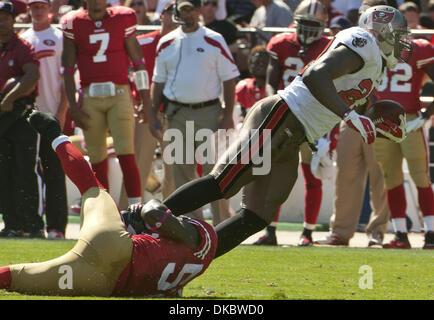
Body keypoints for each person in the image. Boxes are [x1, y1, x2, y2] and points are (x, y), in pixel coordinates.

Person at [145, 4, 409, 258]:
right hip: (282, 115)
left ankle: (193, 260)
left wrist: (375, 121)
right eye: (398, 36)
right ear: (382, 32)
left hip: (296, 134)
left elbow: (354, 101)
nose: (402, 43)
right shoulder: (363, 42)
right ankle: (143, 219)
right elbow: (316, 75)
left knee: (259, 215)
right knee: (225, 182)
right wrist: (349, 115)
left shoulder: (375, 64)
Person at [0, 111, 217, 297]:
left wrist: (141, 215)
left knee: (90, 186)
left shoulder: (194, 235)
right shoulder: (188, 269)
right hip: (105, 284)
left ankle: (53, 132)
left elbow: (154, 213)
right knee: (15, 277)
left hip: (115, 248)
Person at [149, 0, 239, 225]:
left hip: (208, 112)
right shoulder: (166, 42)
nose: (187, 14)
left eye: (191, 9)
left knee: (215, 173)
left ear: (199, 11)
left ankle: (220, 226)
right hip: (177, 114)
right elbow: (157, 82)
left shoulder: (214, 40)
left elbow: (229, 79)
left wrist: (227, 115)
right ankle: (191, 228)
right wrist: (152, 115)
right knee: (181, 172)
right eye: (183, 10)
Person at [253, 0, 332, 246]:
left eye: (314, 25)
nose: (308, 30)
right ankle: (271, 229)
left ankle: (307, 232)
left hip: (314, 117)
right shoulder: (280, 43)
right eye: (304, 24)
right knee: (277, 174)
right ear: (295, 23)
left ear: (322, 26)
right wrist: (272, 105)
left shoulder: (330, 47)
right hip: (285, 114)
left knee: (311, 175)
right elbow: (271, 80)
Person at [314, 0, 392, 248]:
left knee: (381, 176)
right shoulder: (355, 38)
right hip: (352, 115)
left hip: (380, 116)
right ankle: (341, 231)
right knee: (345, 174)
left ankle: (377, 232)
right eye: (364, 12)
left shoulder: (394, 42)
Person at [60, 0, 148, 207]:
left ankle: (136, 210)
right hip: (90, 95)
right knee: (97, 157)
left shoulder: (122, 17)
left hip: (119, 93)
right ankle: (106, 210)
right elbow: (67, 69)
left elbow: (138, 62)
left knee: (126, 153)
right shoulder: (73, 22)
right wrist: (73, 108)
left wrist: (146, 99)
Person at [374, 37, 434, 249]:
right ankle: (400, 233)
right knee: (391, 177)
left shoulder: (418, 49)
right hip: (381, 120)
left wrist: (425, 116)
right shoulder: (371, 46)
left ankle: (431, 233)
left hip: (410, 118)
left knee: (420, 176)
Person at [117, 0, 177, 209]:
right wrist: (132, 100)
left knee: (175, 172)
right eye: (170, 11)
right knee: (137, 169)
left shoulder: (184, 45)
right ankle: (125, 217)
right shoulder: (142, 42)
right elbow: (121, 71)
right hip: (145, 112)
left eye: (178, 12)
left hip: (174, 114)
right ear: (161, 15)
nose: (174, 16)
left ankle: (172, 219)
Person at [20, 0, 69, 240]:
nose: (37, 11)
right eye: (34, 7)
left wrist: (61, 111)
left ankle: (57, 226)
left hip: (51, 112)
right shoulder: (23, 37)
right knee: (29, 171)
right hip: (27, 115)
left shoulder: (59, 37)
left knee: (54, 171)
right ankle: (31, 222)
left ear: (49, 9)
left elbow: (68, 78)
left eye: (42, 6)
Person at [0, 1, 43, 238]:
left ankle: (33, 225)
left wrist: (9, 98)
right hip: (1, 117)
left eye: (6, 17)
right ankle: (12, 223)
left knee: (25, 171)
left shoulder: (22, 46)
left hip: (20, 113)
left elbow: (32, 76)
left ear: (13, 20)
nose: (2, 21)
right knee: (3, 171)